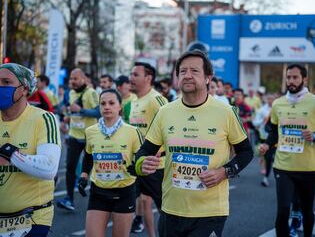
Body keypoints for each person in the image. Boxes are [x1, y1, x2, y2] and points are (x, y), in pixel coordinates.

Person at [134, 50, 253, 237]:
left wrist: (224, 172)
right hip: (171, 210)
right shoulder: (165, 112)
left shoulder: (226, 112)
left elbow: (246, 152)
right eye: (183, 71)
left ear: (208, 77)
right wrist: (142, 164)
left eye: (194, 71)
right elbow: (143, 152)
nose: (187, 75)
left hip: (210, 212)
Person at [259, 64, 315, 237]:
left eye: (295, 77)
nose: (291, 81)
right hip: (283, 166)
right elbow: (274, 132)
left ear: (304, 79)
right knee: (282, 211)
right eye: (288, 77)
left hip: (308, 167)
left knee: (307, 210)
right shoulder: (278, 104)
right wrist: (267, 144)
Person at [0, 63, 61, 236]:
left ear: (25, 88)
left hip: (32, 217)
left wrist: (10, 153)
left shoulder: (43, 119)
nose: (0, 87)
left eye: (6, 82)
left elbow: (49, 168)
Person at [77, 89, 143, 237]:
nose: (107, 107)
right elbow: (88, 156)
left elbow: (141, 157)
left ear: (120, 106)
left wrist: (137, 168)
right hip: (98, 192)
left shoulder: (132, 131)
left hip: (124, 192)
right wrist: (83, 176)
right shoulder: (90, 131)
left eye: (111, 103)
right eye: (103, 103)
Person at [129, 62, 168, 236]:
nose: (131, 78)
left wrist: (161, 150)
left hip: (156, 166)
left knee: (165, 209)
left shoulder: (156, 99)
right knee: (143, 203)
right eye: (131, 74)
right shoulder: (135, 101)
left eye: (135, 74)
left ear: (148, 78)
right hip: (138, 164)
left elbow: (171, 128)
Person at [57, 68, 100, 211]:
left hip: (89, 137)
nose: (72, 81)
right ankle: (69, 199)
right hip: (75, 136)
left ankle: (99, 201)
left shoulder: (91, 93)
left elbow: (98, 112)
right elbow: (72, 111)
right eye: (71, 79)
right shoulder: (71, 93)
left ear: (83, 79)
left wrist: (80, 110)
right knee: (70, 167)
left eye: (75, 78)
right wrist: (66, 119)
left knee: (94, 169)